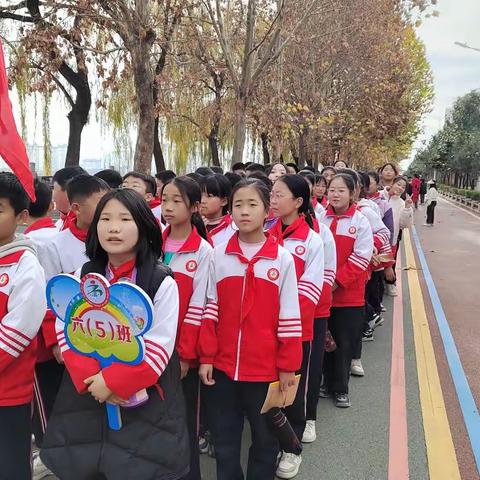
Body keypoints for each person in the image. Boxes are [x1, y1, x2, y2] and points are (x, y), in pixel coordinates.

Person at [40, 189, 190, 480]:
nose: (113, 227)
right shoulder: (81, 275)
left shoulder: (161, 281)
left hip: (146, 399)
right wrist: (93, 379)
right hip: (88, 393)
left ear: (144, 227)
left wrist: (114, 381)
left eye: (125, 219)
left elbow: (160, 345)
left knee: (138, 468)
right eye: (105, 219)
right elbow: (65, 325)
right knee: (90, 466)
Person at [198, 179, 302, 480]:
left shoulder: (281, 259)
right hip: (223, 369)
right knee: (226, 440)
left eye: (252, 204)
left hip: (265, 370)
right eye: (238, 204)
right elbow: (209, 308)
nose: (244, 211)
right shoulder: (217, 255)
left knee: (265, 440)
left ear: (267, 209)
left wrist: (287, 367)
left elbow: (290, 317)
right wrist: (207, 356)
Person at [269, 175, 324, 479]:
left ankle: (292, 448)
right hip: (262, 330)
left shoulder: (312, 240)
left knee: (293, 389)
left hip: (295, 330)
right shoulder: (265, 234)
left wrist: (280, 320)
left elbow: (310, 292)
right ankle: (273, 442)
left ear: (298, 202)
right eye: (271, 195)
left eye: (278, 195)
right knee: (269, 389)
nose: (272, 200)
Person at [161, 176, 213, 480]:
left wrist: (185, 355)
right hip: (152, 352)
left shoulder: (203, 252)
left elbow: (199, 308)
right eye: (164, 199)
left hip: (182, 357)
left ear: (194, 207)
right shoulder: (152, 243)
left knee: (184, 426)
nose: (168, 207)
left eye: (176, 201)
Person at [0, 173, 47, 480]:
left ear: (21, 216)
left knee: (10, 466)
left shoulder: (25, 265)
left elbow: (17, 334)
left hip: (8, 393)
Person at [320, 174, 373, 408]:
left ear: (352, 194)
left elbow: (361, 258)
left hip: (348, 296)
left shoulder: (360, 222)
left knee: (343, 343)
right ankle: (324, 381)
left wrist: (335, 282)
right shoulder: (320, 218)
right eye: (332, 189)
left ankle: (341, 388)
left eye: (341, 190)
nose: (335, 194)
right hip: (321, 295)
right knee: (324, 341)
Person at [39, 175, 110, 279]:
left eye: (108, 203)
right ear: (76, 208)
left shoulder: (114, 239)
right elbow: (51, 288)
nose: (108, 209)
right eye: (101, 204)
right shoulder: (54, 246)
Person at [381, 176, 413, 296]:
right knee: (376, 266)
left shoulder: (401, 203)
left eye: (403, 187)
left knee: (389, 263)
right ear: (393, 183)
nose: (400, 188)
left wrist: (407, 208)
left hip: (391, 239)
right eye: (398, 184)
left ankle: (390, 283)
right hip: (376, 238)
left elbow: (404, 224)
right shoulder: (380, 196)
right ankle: (379, 287)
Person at [200, 174, 236, 246]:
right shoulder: (191, 224)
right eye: (200, 195)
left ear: (224, 201)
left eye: (209, 196)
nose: (202, 200)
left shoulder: (234, 227)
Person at [51, 166, 87, 230]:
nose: (52, 194)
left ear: (68, 191)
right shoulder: (62, 223)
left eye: (53, 188)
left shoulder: (82, 227)